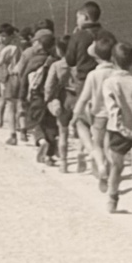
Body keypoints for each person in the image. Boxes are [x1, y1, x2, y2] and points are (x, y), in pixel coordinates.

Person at [102, 42, 132, 217]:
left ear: (113, 60)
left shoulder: (110, 83)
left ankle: (112, 199)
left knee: (116, 166)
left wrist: (121, 127)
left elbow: (112, 109)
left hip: (117, 130)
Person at [75, 35, 118, 191]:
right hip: (114, 116)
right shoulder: (116, 73)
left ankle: (100, 166)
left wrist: (75, 113)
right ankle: (111, 170)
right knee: (109, 146)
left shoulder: (93, 75)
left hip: (99, 115)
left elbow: (84, 98)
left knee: (97, 144)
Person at [21, 29, 60, 164]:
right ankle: (49, 156)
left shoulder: (34, 60)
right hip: (51, 97)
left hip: (36, 97)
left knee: (35, 122)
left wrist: (22, 97)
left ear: (40, 45)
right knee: (50, 125)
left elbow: (24, 80)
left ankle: (41, 141)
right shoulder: (55, 61)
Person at [44, 35, 74, 171]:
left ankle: (64, 163)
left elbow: (49, 85)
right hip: (77, 98)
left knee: (63, 132)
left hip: (63, 98)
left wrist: (48, 99)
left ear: (59, 50)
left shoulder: (56, 65)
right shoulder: (78, 65)